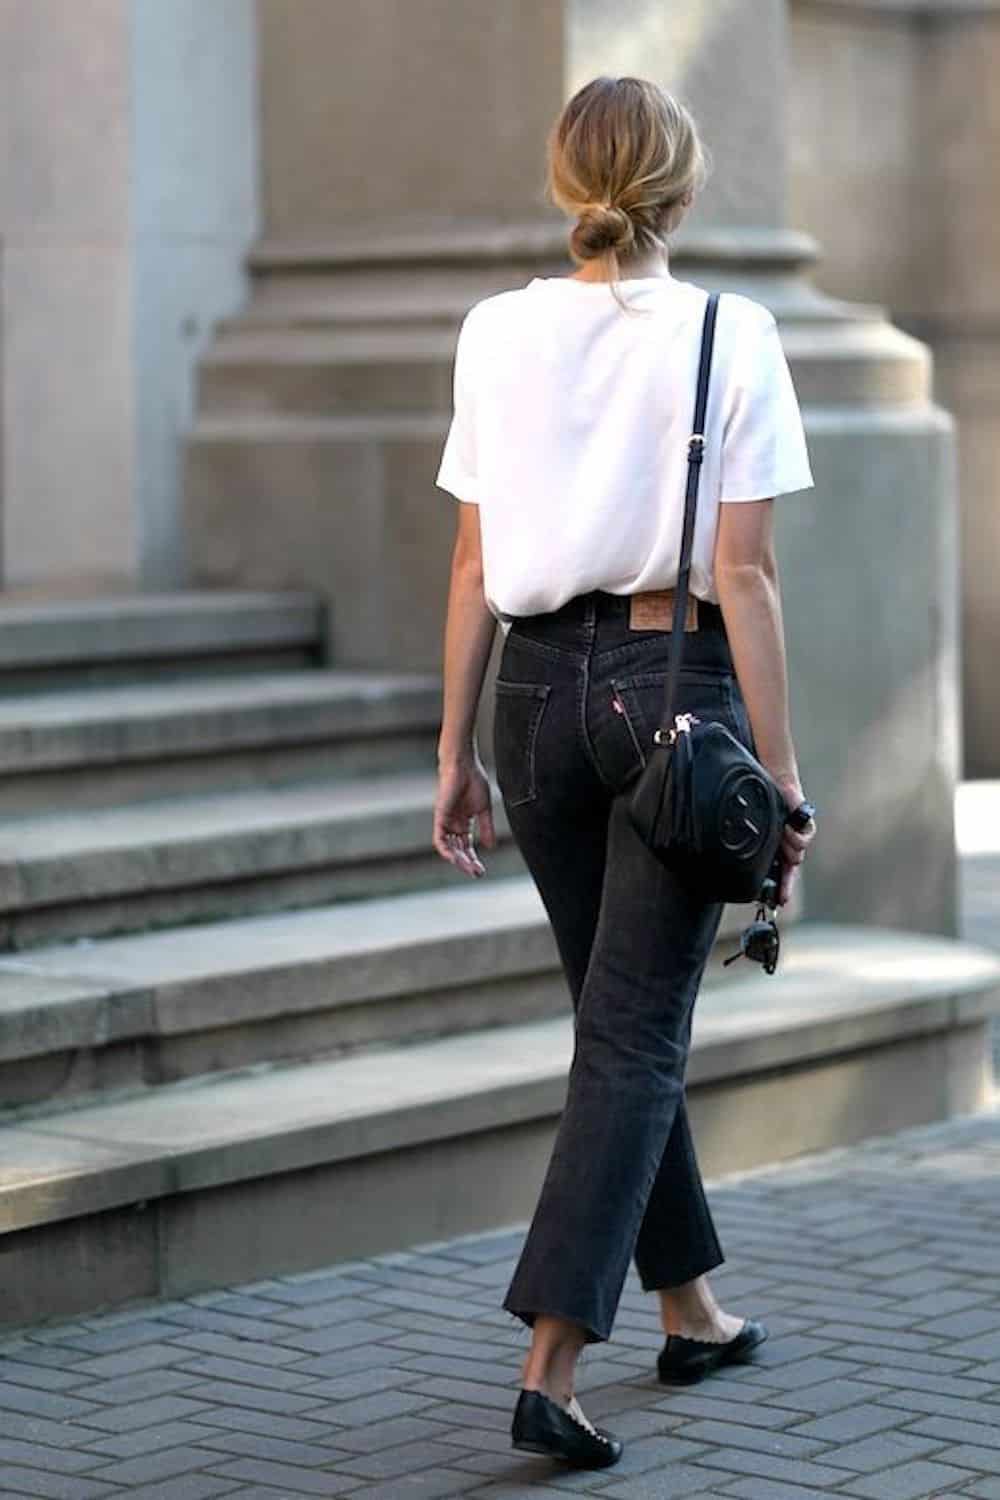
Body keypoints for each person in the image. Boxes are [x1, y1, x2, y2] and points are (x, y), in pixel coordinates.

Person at [431, 74, 818, 1471]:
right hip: (673, 697)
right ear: (683, 185)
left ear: (566, 181)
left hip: (533, 703)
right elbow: (746, 571)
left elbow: (476, 563)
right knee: (640, 1032)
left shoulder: (494, 330)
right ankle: (551, 1364)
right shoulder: (735, 330)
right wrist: (782, 775)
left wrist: (455, 748)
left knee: (619, 1025)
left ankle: (693, 1306)